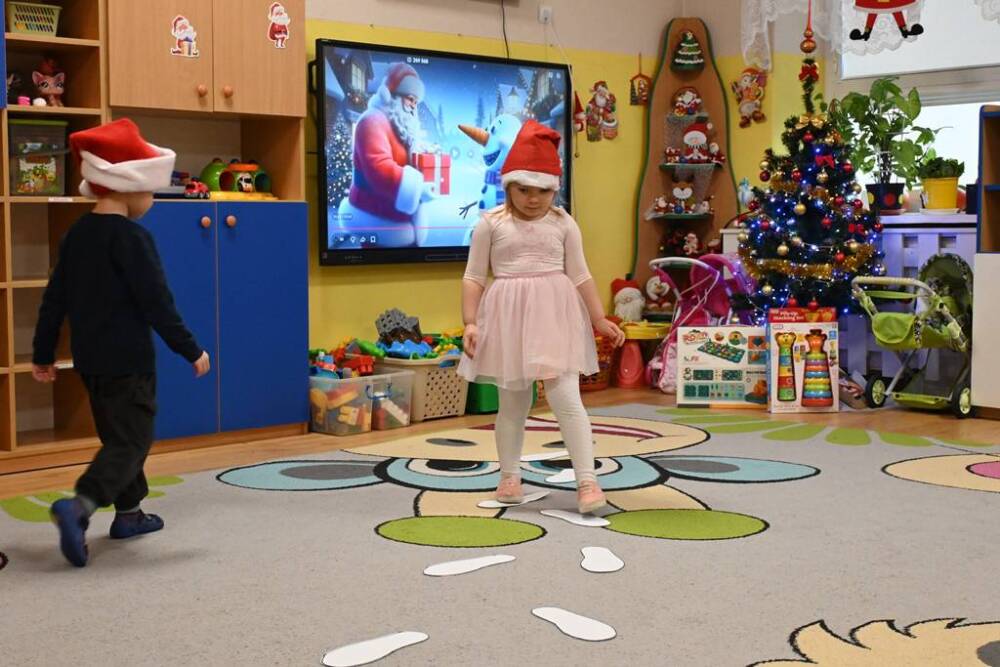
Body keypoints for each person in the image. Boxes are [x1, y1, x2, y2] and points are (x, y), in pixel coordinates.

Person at [33, 118, 211, 567]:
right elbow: (157, 303)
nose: (150, 200)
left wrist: (43, 353)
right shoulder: (133, 238)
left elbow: (54, 299)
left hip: (90, 362)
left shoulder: (76, 235)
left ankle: (129, 515)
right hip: (129, 362)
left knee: (119, 436)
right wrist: (190, 349)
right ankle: (81, 505)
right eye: (150, 190)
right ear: (130, 187)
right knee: (131, 441)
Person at [458, 120, 625, 515]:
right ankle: (509, 476)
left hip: (554, 316)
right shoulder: (490, 224)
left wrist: (599, 318)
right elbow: (474, 277)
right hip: (508, 319)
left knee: (566, 397)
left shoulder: (563, 223)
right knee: (513, 402)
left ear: (554, 189)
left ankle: (587, 480)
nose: (533, 199)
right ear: (508, 186)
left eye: (542, 191)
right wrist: (471, 322)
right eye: (523, 190)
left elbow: (580, 274)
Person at [334, 62, 436, 248]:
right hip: (374, 216)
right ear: (392, 96)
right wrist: (417, 187)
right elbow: (378, 167)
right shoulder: (372, 121)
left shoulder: (400, 126)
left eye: (416, 101)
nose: (413, 106)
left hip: (399, 219)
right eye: (410, 99)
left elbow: (403, 156)